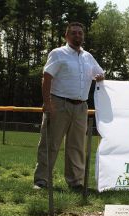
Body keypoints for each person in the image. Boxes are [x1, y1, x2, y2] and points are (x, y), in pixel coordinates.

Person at [33, 22, 104, 190]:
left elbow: (99, 74)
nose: (77, 36)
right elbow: (47, 77)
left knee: (77, 146)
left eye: (80, 33)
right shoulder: (58, 53)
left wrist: (100, 76)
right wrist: (47, 102)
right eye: (73, 33)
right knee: (50, 143)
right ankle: (41, 181)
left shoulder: (88, 57)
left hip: (81, 107)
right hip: (59, 104)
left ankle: (75, 182)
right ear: (66, 36)